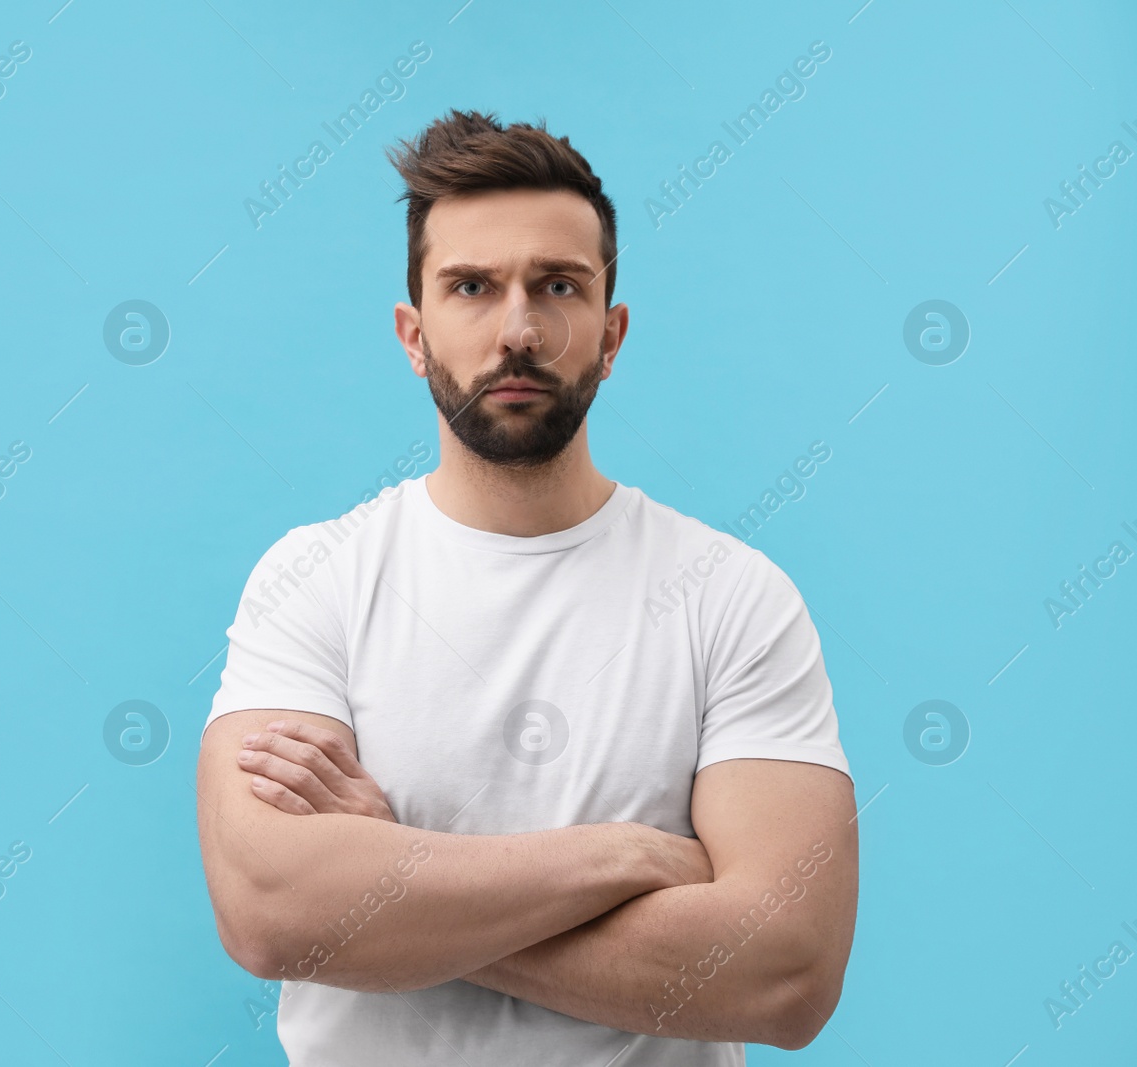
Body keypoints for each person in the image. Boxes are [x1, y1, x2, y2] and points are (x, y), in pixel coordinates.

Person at [195, 108, 857, 1066]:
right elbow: (271, 911)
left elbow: (788, 976)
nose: (519, 329)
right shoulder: (315, 577)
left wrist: (394, 884)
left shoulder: (733, 597)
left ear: (612, 330)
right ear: (413, 334)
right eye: (471, 286)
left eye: (558, 285)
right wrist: (622, 857)